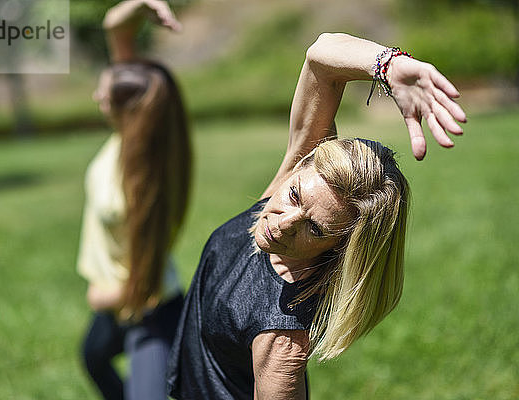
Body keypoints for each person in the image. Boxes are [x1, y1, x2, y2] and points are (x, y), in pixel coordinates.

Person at [167, 32, 466, 399]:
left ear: (341, 247)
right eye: (293, 196)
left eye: (315, 229)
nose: (282, 223)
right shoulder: (292, 182)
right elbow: (321, 56)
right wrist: (390, 65)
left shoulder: (280, 341)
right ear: (298, 167)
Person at [77, 1, 191, 399]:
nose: (97, 96)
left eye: (105, 94)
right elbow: (116, 30)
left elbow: (145, 282)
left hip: (151, 309)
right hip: (117, 302)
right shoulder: (130, 135)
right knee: (93, 357)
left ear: (131, 112)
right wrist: (139, 5)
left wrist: (99, 293)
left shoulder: (148, 184)